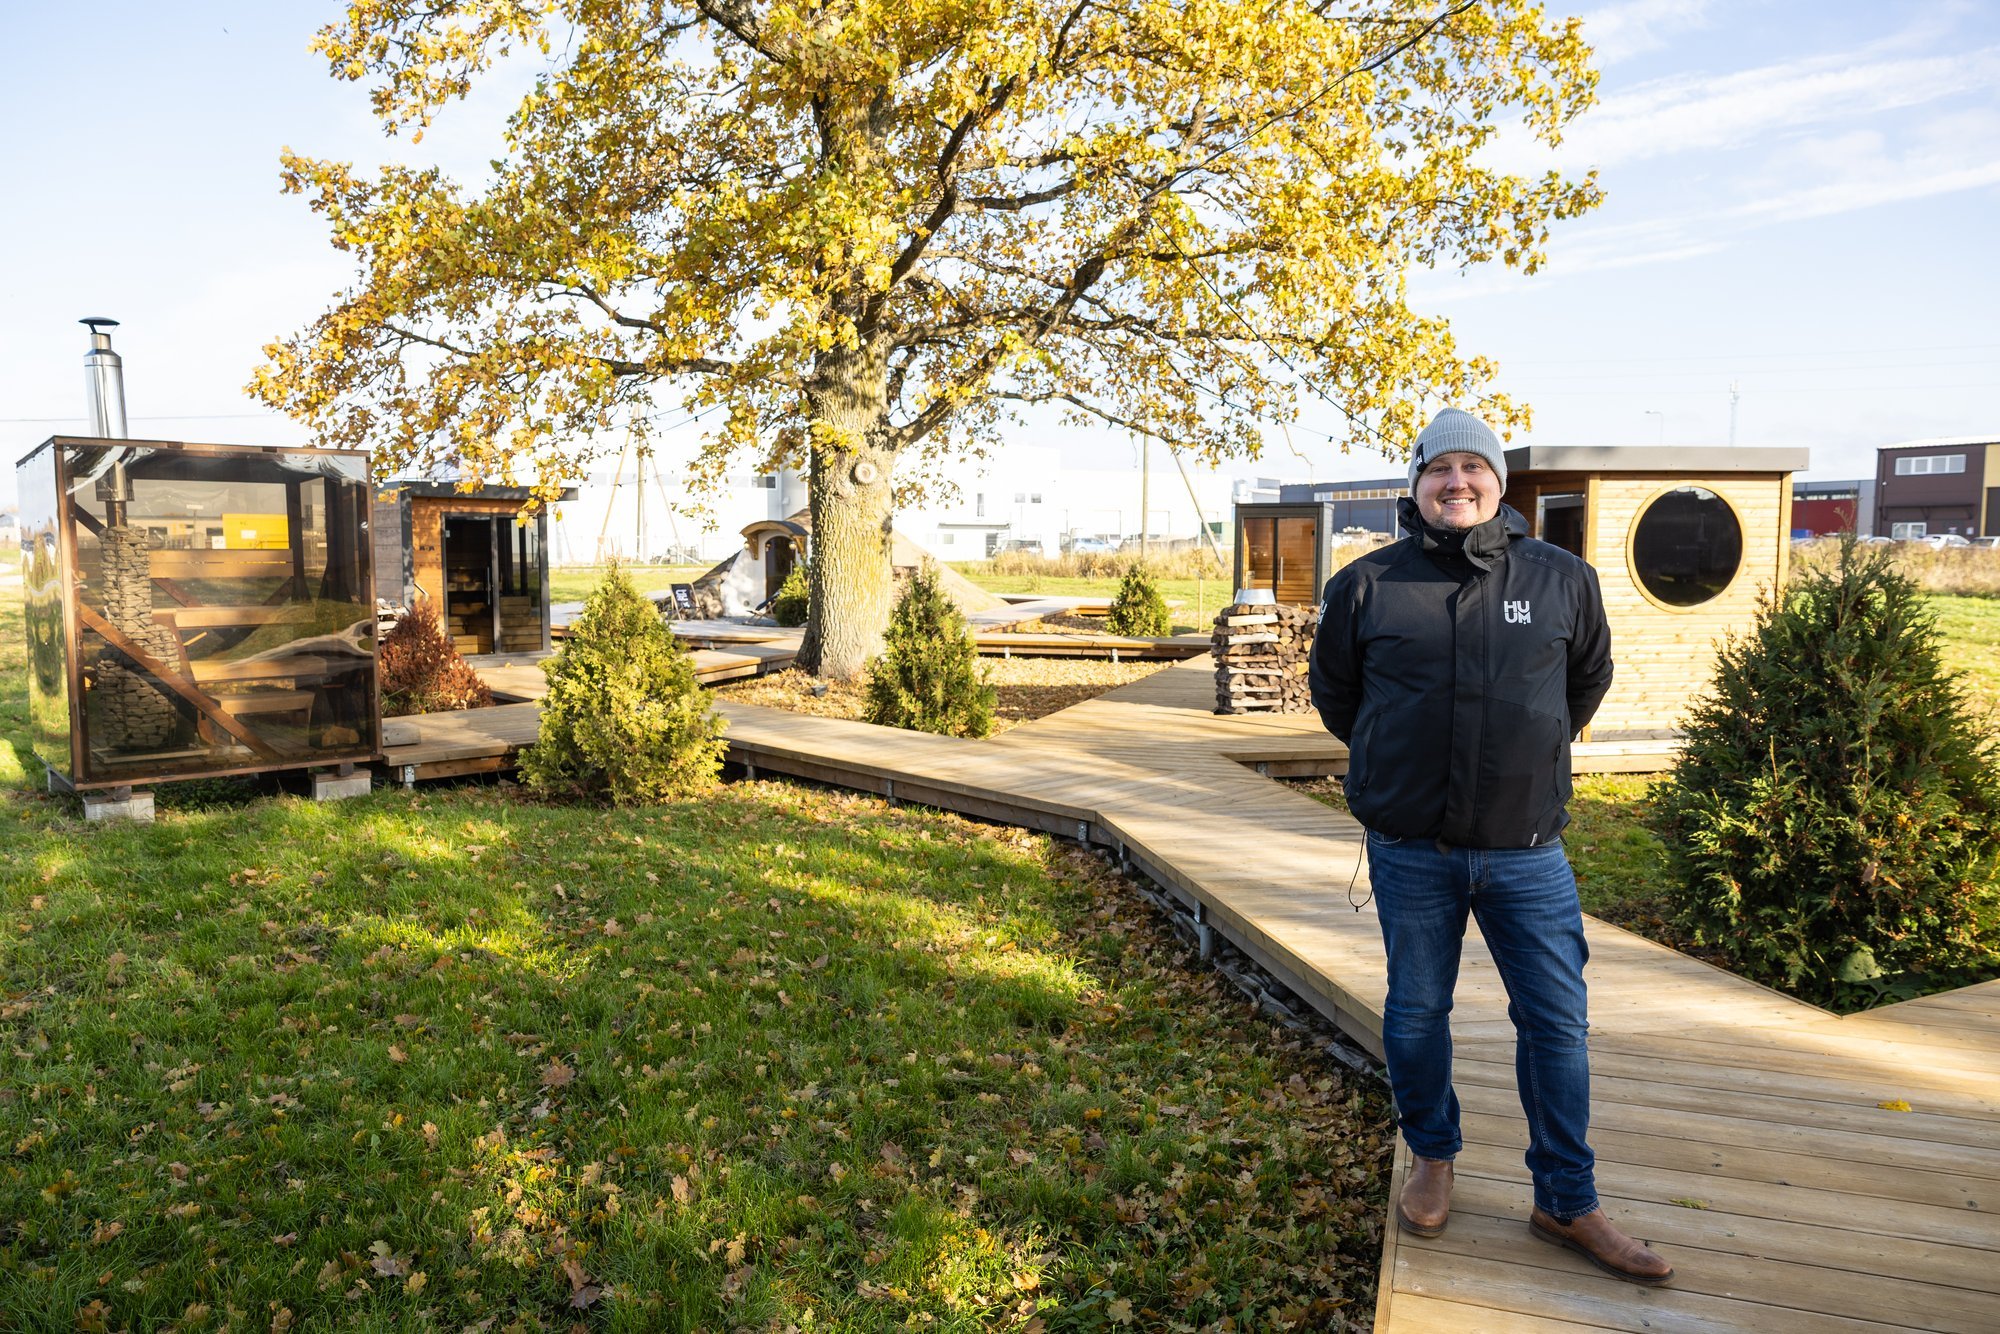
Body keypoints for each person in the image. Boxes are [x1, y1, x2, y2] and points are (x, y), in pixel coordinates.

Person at [1308, 408, 1673, 1285]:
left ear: (1499, 484)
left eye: (1475, 468)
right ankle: (1432, 1155)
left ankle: (1566, 1198)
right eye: (1441, 469)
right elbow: (1337, 697)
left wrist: (1536, 754)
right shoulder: (1366, 586)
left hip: (1526, 848)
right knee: (1415, 1012)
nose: (1457, 482)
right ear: (1415, 483)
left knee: (1556, 1022)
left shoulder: (1562, 580)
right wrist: (1398, 769)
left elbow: (1585, 682)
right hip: (1411, 849)